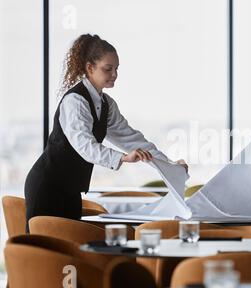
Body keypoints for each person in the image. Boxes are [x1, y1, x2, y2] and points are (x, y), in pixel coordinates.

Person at [24, 34, 187, 231]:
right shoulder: (75, 102)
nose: (114, 74)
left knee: (71, 250)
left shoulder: (106, 104)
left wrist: (169, 164)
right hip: (47, 186)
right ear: (90, 68)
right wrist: (123, 158)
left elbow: (132, 139)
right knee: (45, 253)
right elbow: (85, 146)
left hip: (71, 190)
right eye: (108, 69)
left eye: (116, 69)